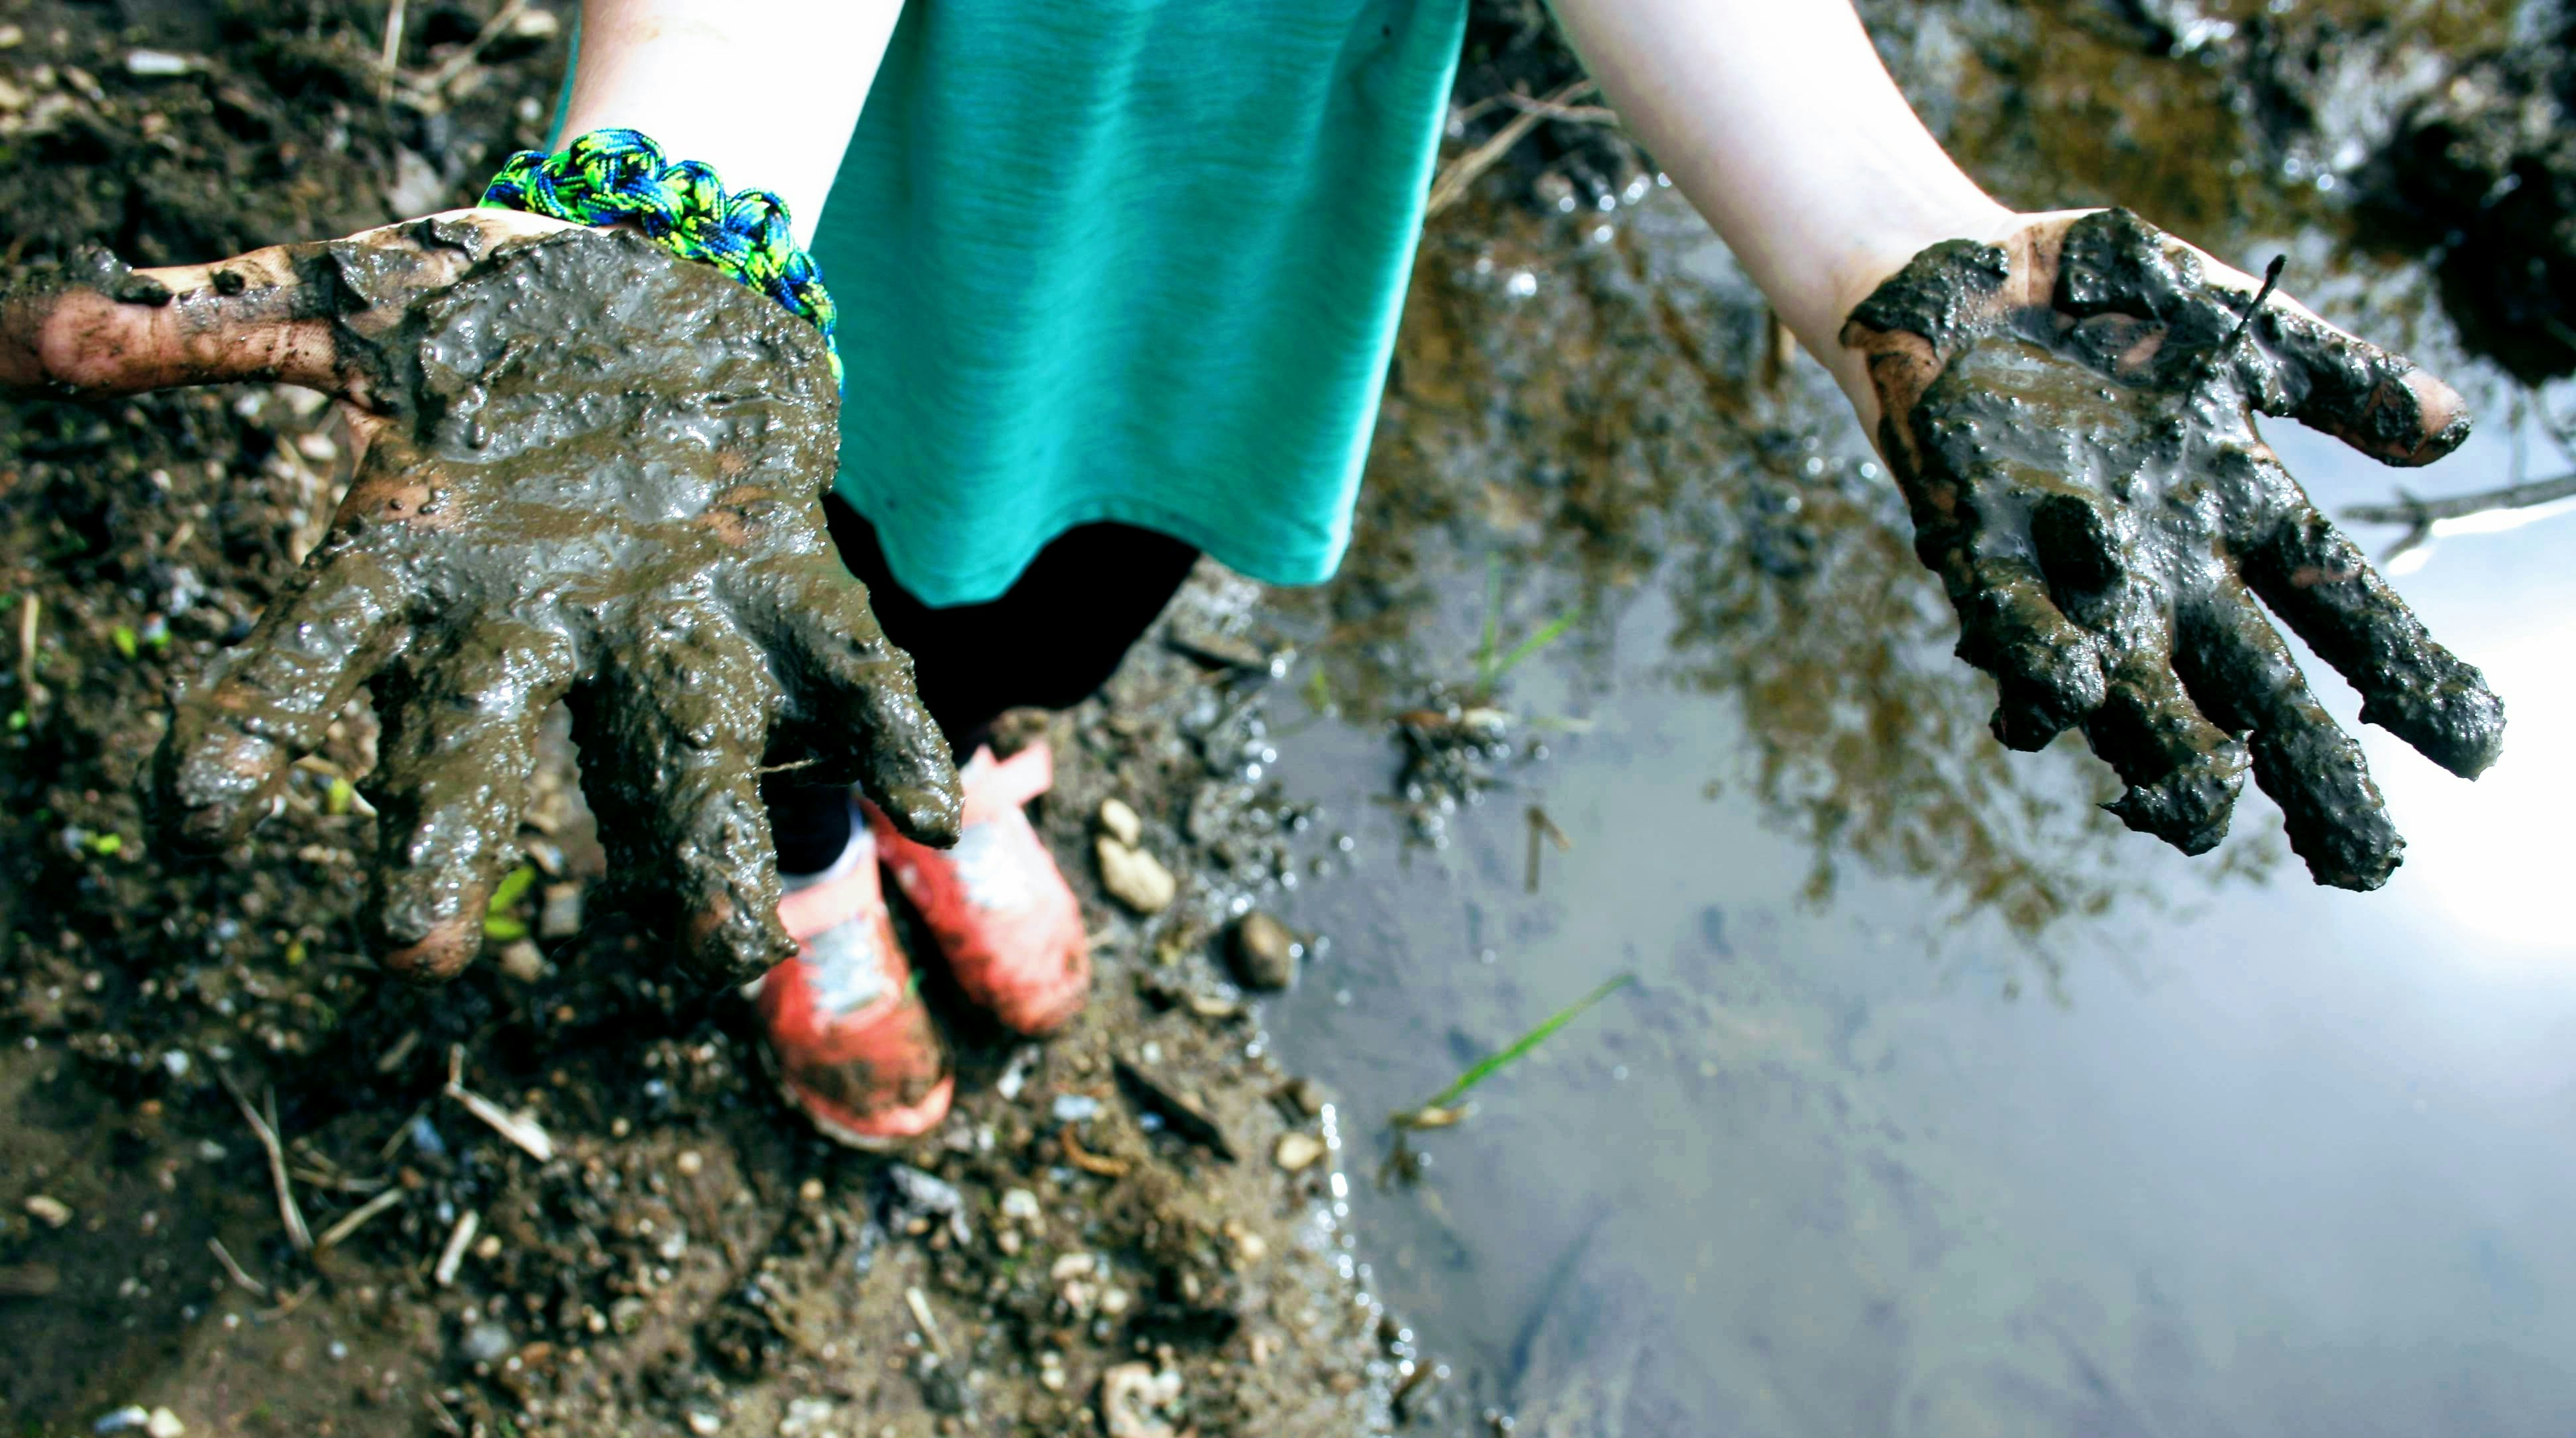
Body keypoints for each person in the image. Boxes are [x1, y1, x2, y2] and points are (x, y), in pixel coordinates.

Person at [0, 0, 2496, 1146]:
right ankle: (812, 883)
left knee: (1067, 606)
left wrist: (1885, 247)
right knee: (796, 629)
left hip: (1212, 273)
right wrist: (677, 193)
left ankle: (965, 789)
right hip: (853, 245)